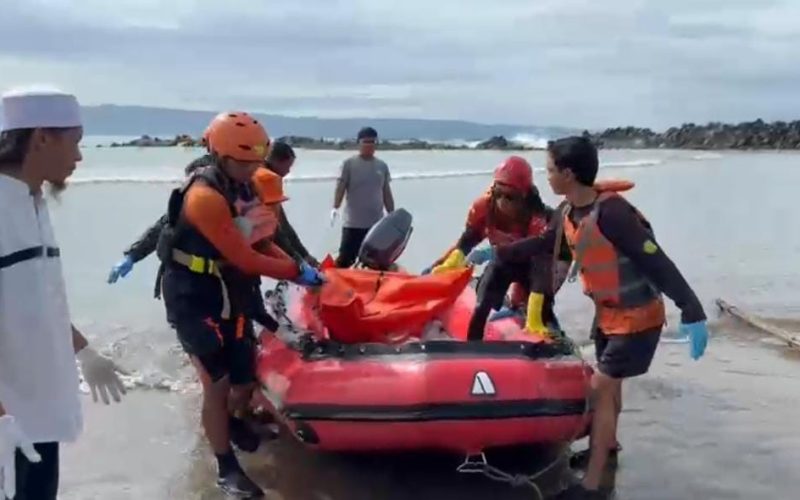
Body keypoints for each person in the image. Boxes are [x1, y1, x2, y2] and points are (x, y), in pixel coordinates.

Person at [494, 136, 709, 499]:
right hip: (607, 316)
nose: (545, 177)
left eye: (549, 170)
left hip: (638, 318)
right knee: (612, 389)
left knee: (599, 389)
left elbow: (655, 260)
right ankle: (606, 448)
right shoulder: (566, 213)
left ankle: (592, 486)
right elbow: (554, 253)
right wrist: (501, 260)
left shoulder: (612, 214)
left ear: (568, 173)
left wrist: (692, 309)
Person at [157, 111, 324, 497]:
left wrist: (300, 265)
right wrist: (296, 273)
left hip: (229, 290)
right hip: (192, 294)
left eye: (256, 161)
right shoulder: (204, 197)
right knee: (216, 383)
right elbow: (248, 259)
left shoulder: (245, 188)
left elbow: (262, 240)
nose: (252, 169)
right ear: (221, 155)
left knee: (243, 373)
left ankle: (235, 422)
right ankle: (225, 467)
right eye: (245, 161)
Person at [0, 87, 127, 500]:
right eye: (74, 141)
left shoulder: (33, 202)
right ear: (40, 138)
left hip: (37, 417)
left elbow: (36, 300)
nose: (79, 157)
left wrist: (83, 350)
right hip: (8, 423)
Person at [107, 141, 316, 282]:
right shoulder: (207, 196)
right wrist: (133, 255)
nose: (288, 173)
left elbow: (276, 231)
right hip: (192, 276)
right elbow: (165, 224)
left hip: (231, 272)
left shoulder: (252, 188)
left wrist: (300, 262)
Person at [427, 156, 571, 341]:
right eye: (498, 194)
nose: (502, 201)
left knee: (537, 306)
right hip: (504, 259)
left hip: (536, 263)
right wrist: (450, 262)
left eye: (510, 196)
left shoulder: (538, 217)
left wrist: (534, 312)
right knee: (482, 302)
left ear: (524, 196)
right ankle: (474, 345)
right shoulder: (484, 206)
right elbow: (469, 238)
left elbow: (542, 261)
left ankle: (554, 339)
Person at [330, 126, 394, 268]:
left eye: (373, 142)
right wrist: (335, 207)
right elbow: (341, 186)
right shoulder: (349, 164)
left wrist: (392, 215)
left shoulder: (382, 166)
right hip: (353, 223)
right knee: (345, 259)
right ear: (359, 143)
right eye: (366, 142)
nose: (369, 145)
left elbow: (386, 192)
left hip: (376, 224)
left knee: (375, 262)